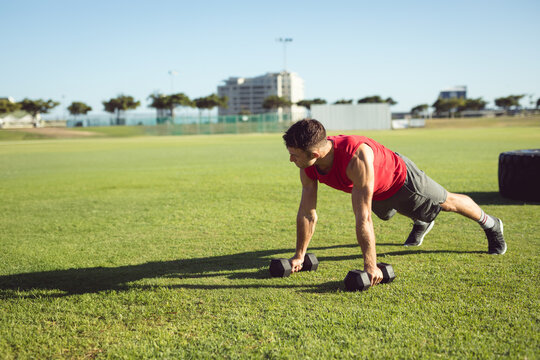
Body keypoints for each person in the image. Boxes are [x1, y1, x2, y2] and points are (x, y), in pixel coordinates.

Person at [283, 119, 506, 286]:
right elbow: (307, 212)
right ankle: (421, 221)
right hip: (377, 189)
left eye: (295, 155)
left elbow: (363, 217)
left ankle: (491, 224)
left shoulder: (355, 158)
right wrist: (299, 255)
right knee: (389, 213)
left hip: (402, 179)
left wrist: (370, 266)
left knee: (447, 202)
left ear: (315, 152)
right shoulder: (308, 166)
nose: (291, 159)